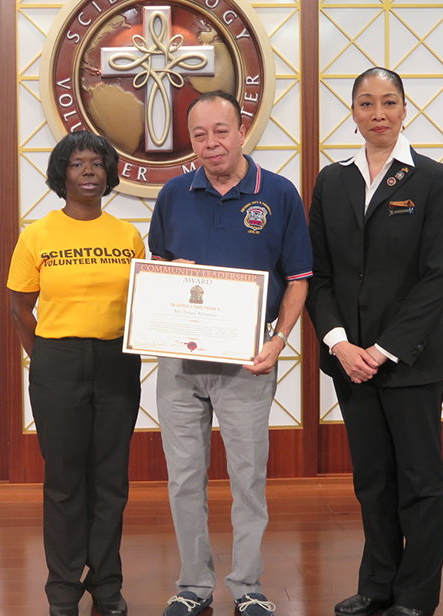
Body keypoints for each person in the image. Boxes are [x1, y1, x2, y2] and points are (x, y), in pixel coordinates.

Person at [148, 90, 313, 616]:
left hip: (248, 360)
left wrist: (279, 339)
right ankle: (193, 587)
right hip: (180, 364)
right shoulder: (173, 194)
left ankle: (247, 587)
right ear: (190, 141)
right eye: (199, 135)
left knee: (248, 476)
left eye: (221, 131)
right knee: (184, 477)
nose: (211, 144)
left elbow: (298, 281)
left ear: (242, 130)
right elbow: (159, 274)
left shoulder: (280, 194)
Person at [306, 67, 443, 616]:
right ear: (352, 112)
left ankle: (416, 597)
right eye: (367, 103)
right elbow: (318, 274)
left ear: (404, 109)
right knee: (372, 478)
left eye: (389, 102)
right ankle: (377, 585)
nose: (378, 113)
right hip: (350, 361)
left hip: (412, 359)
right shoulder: (333, 180)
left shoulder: (432, 178)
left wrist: (385, 348)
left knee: (419, 480)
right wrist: (340, 344)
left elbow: (438, 276)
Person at [7, 131, 145, 616]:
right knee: (65, 481)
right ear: (61, 174)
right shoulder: (38, 234)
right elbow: (21, 306)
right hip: (57, 365)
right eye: (76, 163)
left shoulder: (126, 235)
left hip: (116, 364)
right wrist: (46, 356)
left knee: (110, 481)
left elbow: (145, 305)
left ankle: (107, 584)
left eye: (97, 163)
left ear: (109, 173)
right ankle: (63, 587)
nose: (88, 171)